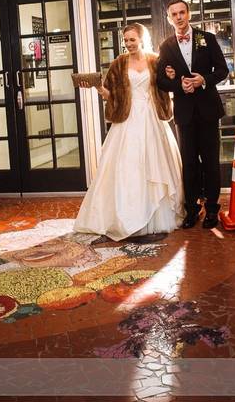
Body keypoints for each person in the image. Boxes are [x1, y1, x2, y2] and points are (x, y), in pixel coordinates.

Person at [73, 23, 183, 241]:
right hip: (127, 120)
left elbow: (167, 85)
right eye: (126, 40)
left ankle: (156, 215)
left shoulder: (156, 60)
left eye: (132, 39)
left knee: (155, 164)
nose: (128, 44)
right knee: (126, 167)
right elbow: (110, 95)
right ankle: (124, 215)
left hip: (152, 118)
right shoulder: (119, 63)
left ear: (142, 39)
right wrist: (96, 87)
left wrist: (172, 76)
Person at [156, 0, 229, 229]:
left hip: (208, 110)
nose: (179, 17)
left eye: (182, 12)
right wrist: (179, 85)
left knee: (210, 162)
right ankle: (192, 209)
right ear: (169, 19)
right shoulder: (166, 46)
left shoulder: (206, 38)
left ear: (189, 14)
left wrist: (203, 80)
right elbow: (159, 80)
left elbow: (223, 70)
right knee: (188, 164)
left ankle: (212, 210)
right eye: (174, 14)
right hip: (185, 113)